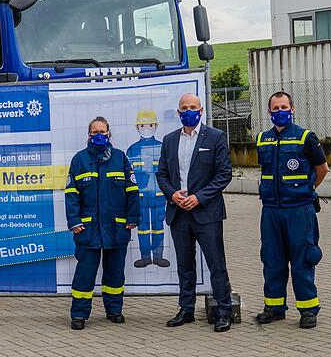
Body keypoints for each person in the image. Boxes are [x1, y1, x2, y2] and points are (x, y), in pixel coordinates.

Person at [156, 93, 233, 332]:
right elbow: (162, 174)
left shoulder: (216, 137)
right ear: (178, 113)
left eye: (193, 107)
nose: (188, 111)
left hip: (206, 213)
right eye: (184, 108)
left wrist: (199, 198)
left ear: (201, 110)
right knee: (184, 265)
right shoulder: (169, 140)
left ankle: (223, 310)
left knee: (216, 263)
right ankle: (186, 309)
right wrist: (173, 195)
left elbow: (224, 174)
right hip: (179, 212)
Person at [254, 91, 328, 329]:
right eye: (275, 108)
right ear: (269, 112)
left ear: (292, 109)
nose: (279, 112)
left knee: (303, 259)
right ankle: (274, 308)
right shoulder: (262, 139)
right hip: (271, 210)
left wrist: (307, 190)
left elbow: (322, 168)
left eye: (284, 107)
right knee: (272, 260)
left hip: (299, 210)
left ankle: (308, 310)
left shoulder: (305, 137)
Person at [64, 116, 140, 330]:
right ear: (89, 135)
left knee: (115, 272)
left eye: (102, 132)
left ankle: (114, 310)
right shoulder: (79, 160)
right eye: (95, 132)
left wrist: (132, 218)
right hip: (88, 229)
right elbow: (71, 194)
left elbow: (132, 191)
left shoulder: (120, 158)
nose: (99, 135)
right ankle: (79, 314)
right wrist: (74, 221)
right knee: (84, 275)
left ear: (109, 134)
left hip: (117, 228)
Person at [126, 109, 169, 268]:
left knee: (158, 227)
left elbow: (168, 173)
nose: (146, 128)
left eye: (150, 125)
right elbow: (128, 177)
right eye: (142, 125)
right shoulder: (132, 150)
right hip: (140, 198)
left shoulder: (162, 147)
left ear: (155, 126)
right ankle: (145, 257)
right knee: (143, 227)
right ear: (137, 127)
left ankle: (158, 256)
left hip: (160, 197)